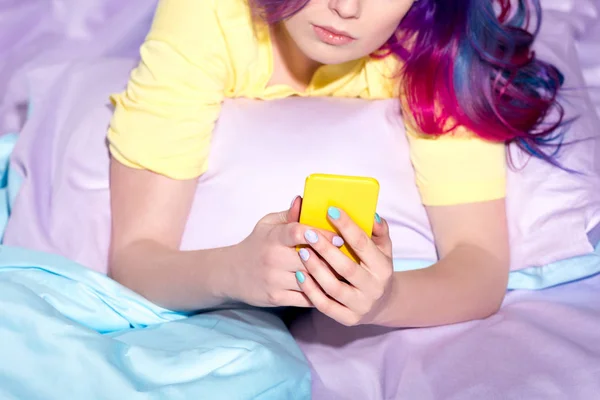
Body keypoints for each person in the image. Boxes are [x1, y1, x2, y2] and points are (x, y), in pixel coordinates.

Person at [106, 0, 564, 328]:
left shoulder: (438, 45)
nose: (346, 8)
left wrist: (387, 300)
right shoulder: (206, 13)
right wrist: (232, 273)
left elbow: (480, 268)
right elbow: (135, 262)